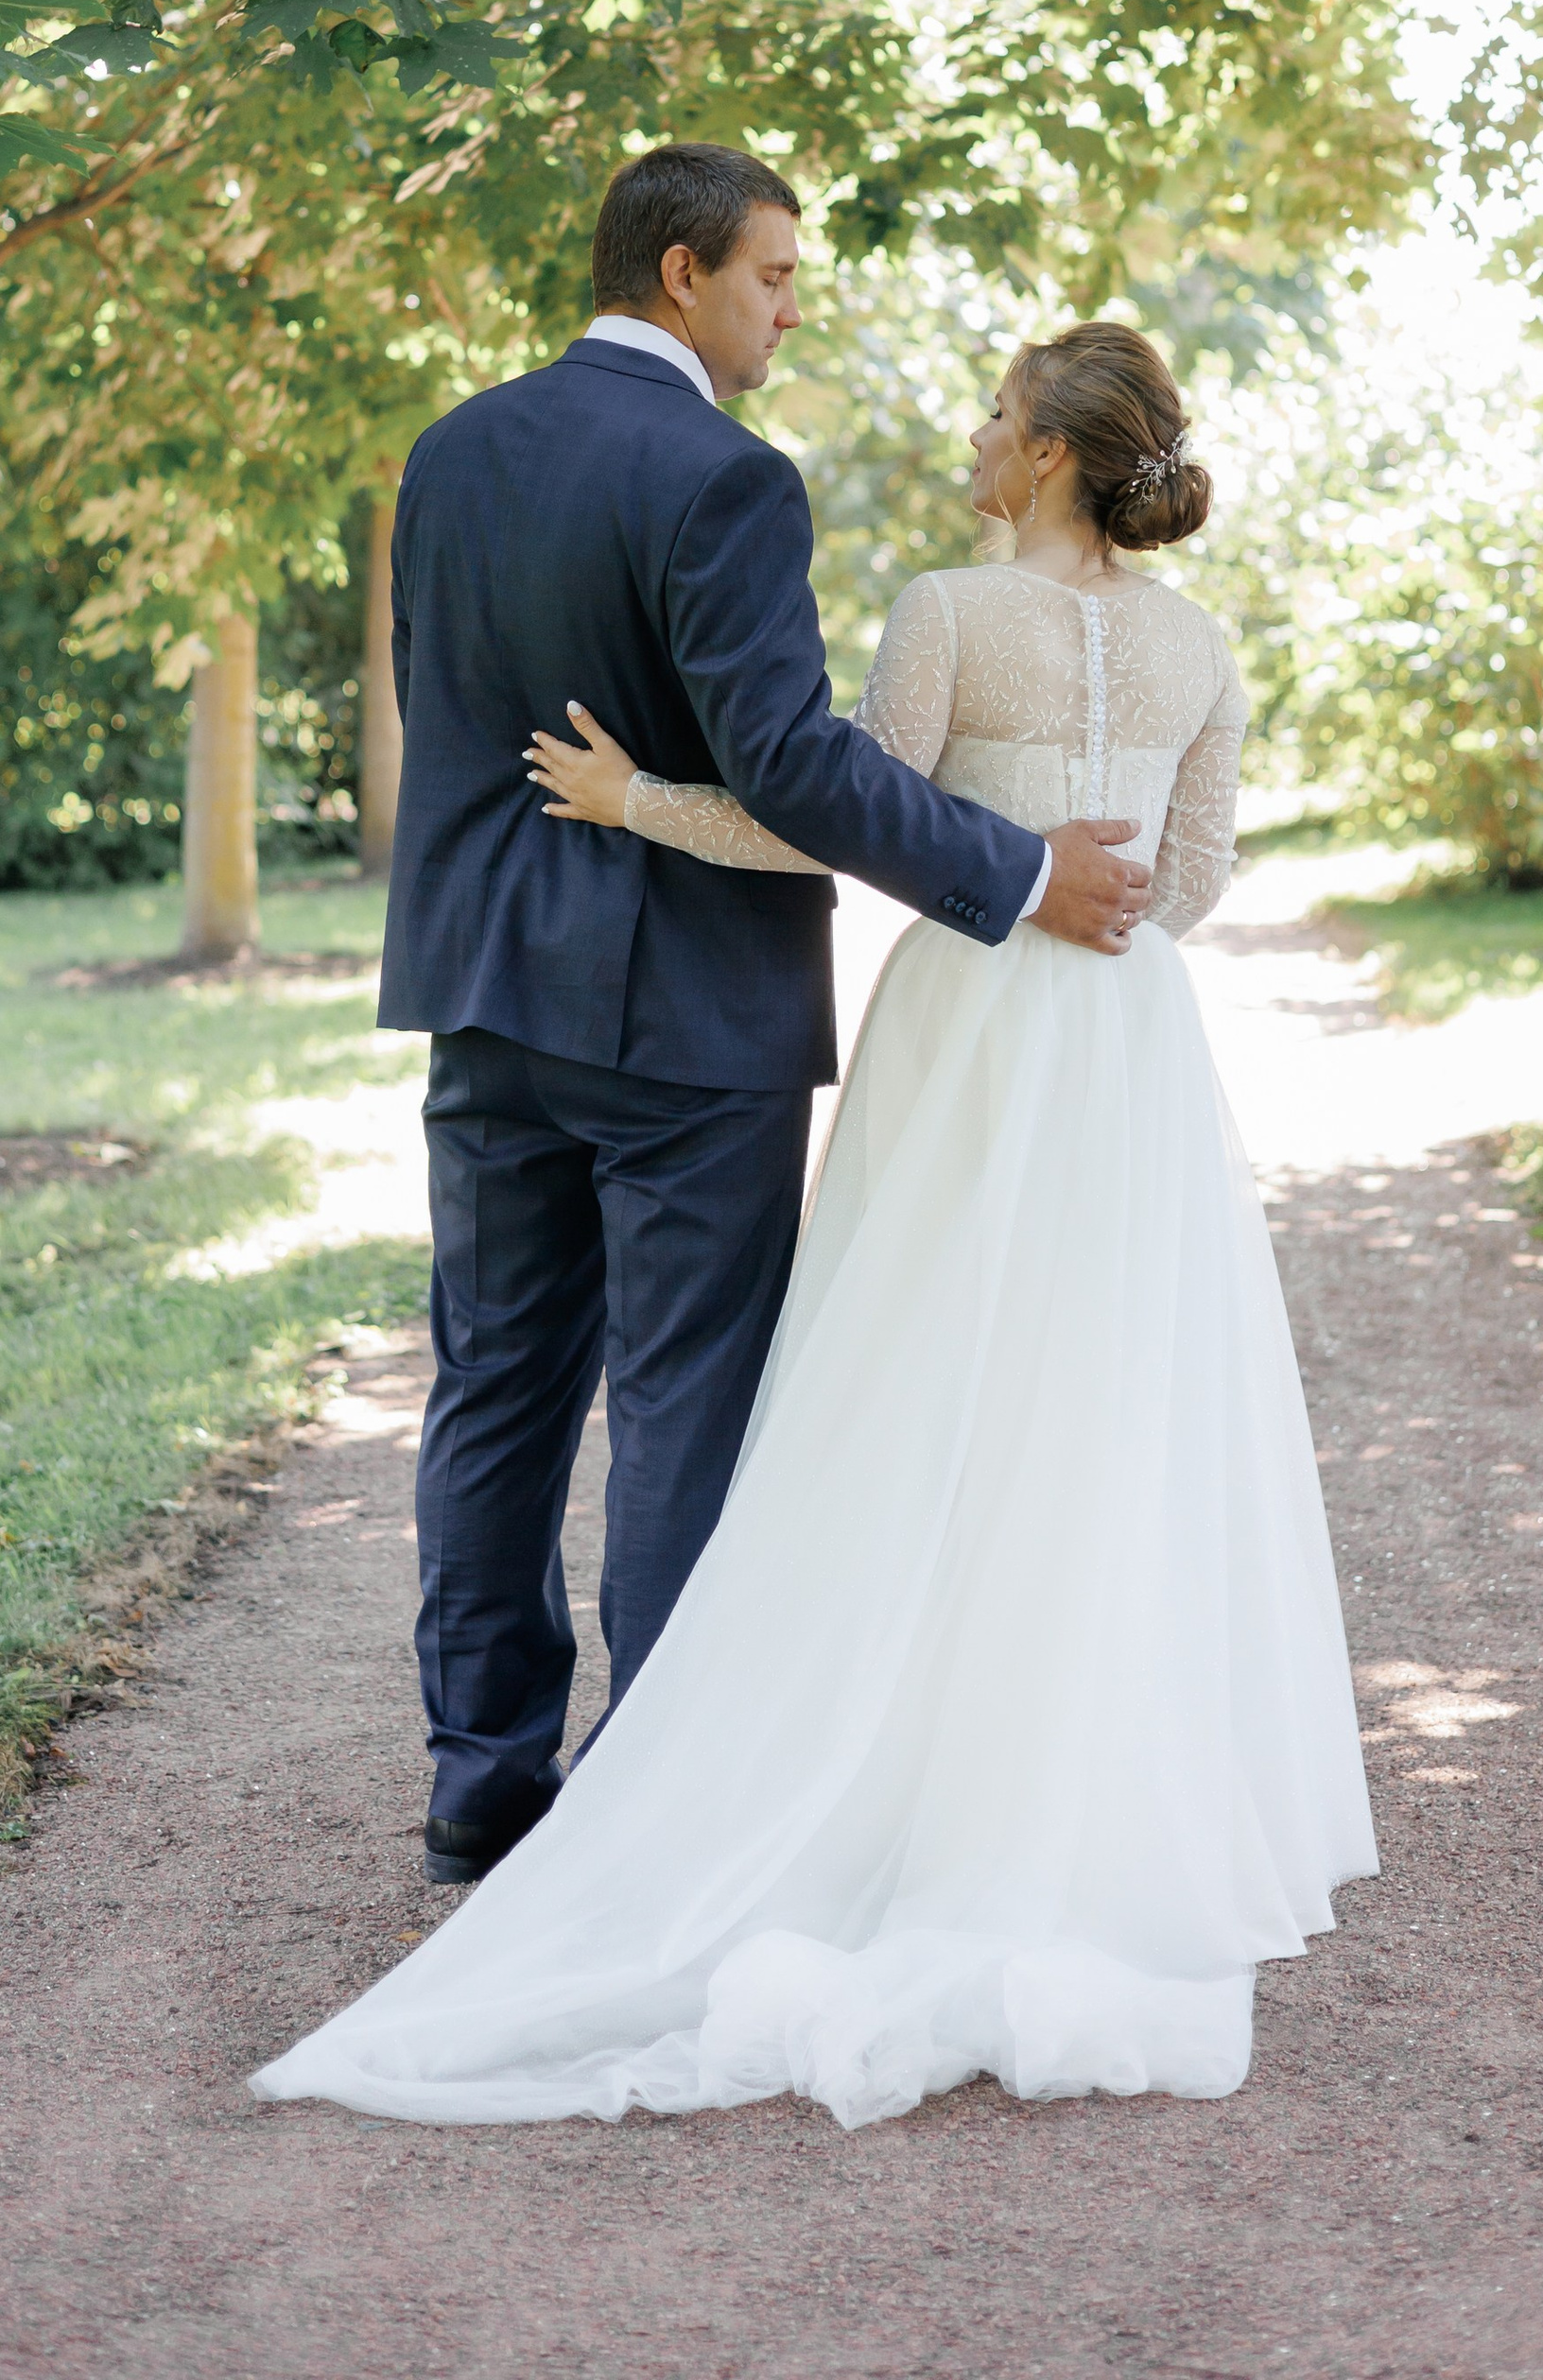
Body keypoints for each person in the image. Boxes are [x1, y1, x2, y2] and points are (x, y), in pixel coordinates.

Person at [252, 272, 1376, 2130]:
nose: (959, 437)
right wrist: (1085, 943)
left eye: (982, 411)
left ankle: (663, 1780)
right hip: (1123, 1054)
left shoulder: (946, 609)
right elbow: (1186, 880)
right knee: (1085, 1413)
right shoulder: (1194, 645)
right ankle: (1058, 1789)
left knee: (891, 1389)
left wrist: (634, 803)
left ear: (1036, 449)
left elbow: (817, 801)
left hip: (959, 1026)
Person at [353, 144, 1152, 1893]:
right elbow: (790, 763)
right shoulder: (727, 479)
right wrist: (1017, 873)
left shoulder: (451, 453)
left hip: (486, 992)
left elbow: (449, 709)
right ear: (679, 277)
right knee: (681, 1402)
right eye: (775, 276)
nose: (792, 306)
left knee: (495, 1385)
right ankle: (653, 1803)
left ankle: (480, 1782)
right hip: (686, 1019)